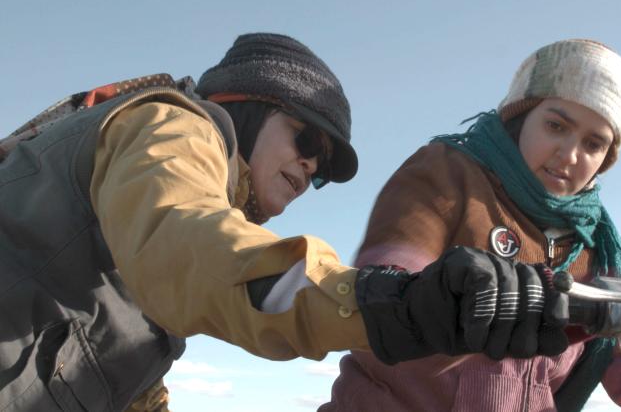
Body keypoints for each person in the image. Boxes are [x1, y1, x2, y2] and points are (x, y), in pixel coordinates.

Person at [0, 33, 568, 412]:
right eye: (306, 140)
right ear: (245, 103)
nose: (310, 167)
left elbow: (118, 360)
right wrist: (388, 302)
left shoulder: (197, 247)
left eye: (320, 169)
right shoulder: (173, 126)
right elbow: (184, 238)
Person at [322, 39, 621, 411]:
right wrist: (427, 288)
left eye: (594, 143)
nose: (569, 154)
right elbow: (392, 266)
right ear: (522, 116)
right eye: (556, 125)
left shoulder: (593, 243)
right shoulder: (447, 173)